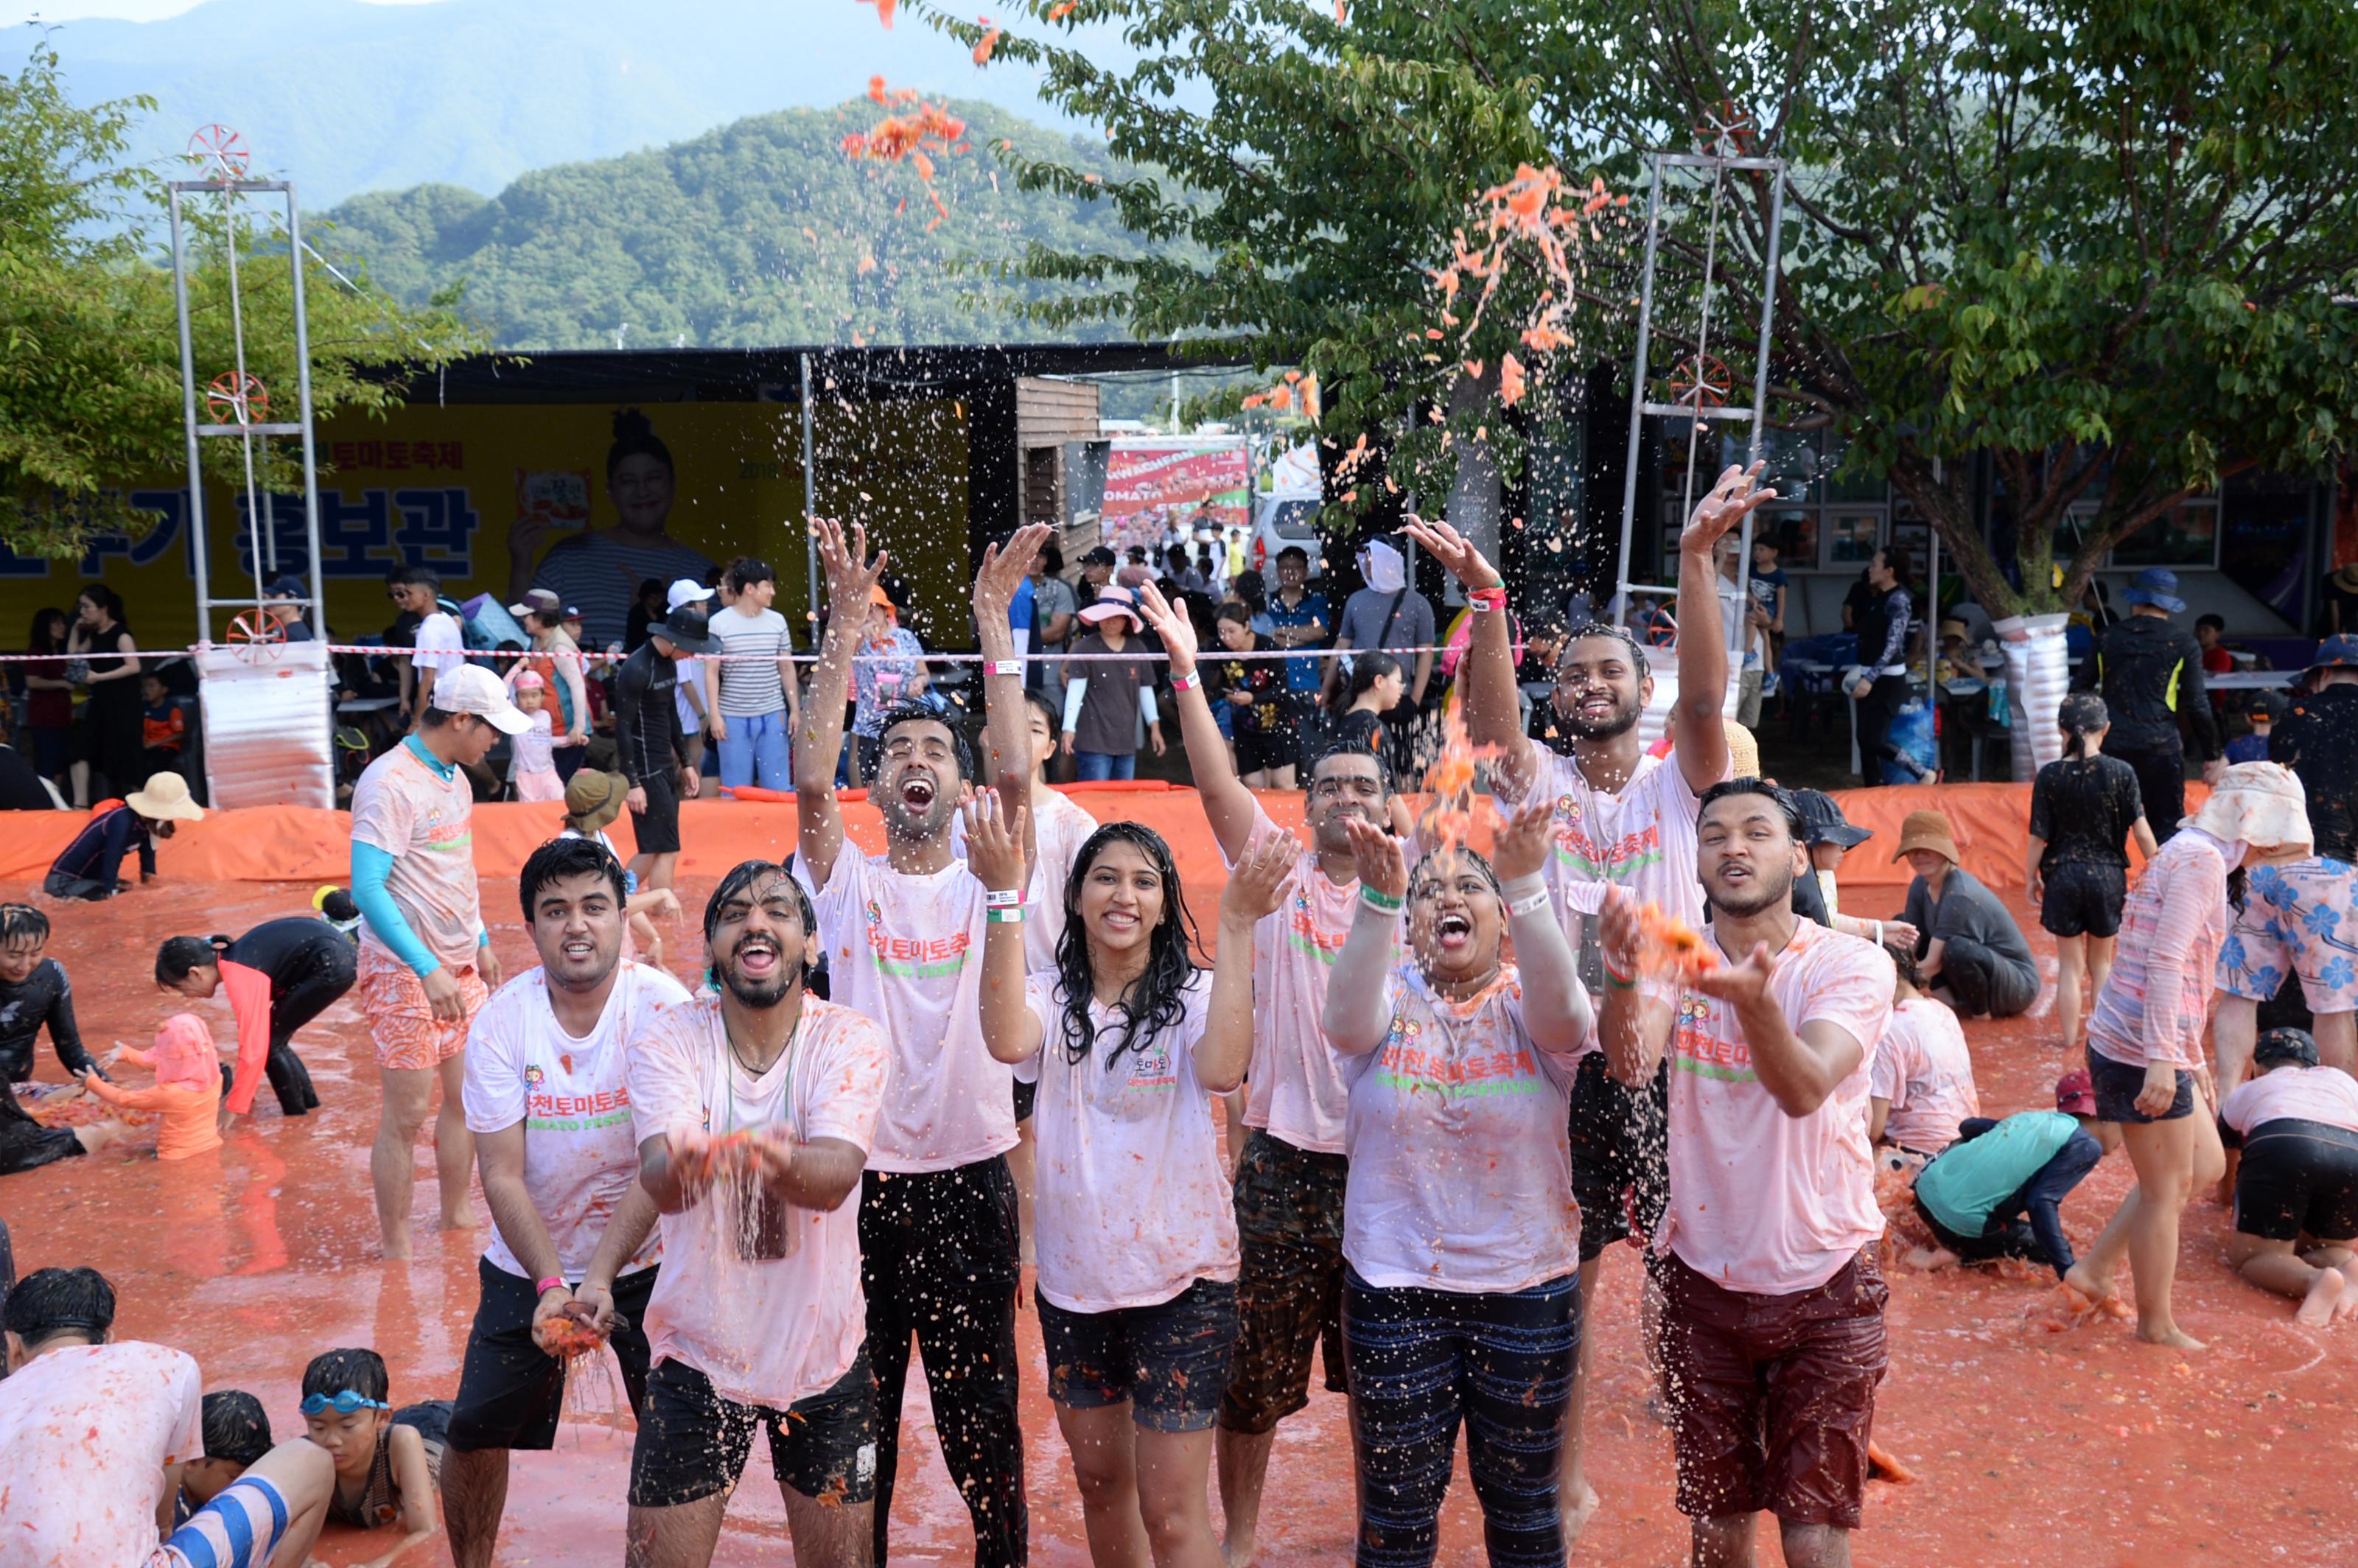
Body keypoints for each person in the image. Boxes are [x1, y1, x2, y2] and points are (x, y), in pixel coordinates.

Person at [1404, 462, 1767, 1545]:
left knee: (1694, 1266)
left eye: (1612, 670)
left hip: (1667, 1043)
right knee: (1569, 1281)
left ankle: (1721, 1451)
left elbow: (1706, 698)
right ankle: (1556, 1477)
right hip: (1557, 1052)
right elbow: (1487, 724)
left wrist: (1697, 560)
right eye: (1576, 674)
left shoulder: (1678, 781)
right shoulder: (1542, 787)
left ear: (1640, 692)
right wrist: (1488, 603)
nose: (1593, 684)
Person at [1134, 578, 1404, 1564]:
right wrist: (1185, 669)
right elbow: (1211, 788)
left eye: (1362, 787)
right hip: (1285, 1166)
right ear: (1305, 800)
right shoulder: (1277, 869)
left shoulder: (1415, 893)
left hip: (1393, 1166)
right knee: (1251, 1378)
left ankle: (1390, 1533)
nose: (1344, 799)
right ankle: (1240, 1542)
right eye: (1328, 786)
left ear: (1389, 804)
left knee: (1392, 1376)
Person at [794, 518, 1044, 1567]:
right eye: (897, 749)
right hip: (862, 1185)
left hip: (972, 1178)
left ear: (957, 784)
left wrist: (993, 625)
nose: (917, 761)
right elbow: (810, 782)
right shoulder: (846, 884)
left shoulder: (996, 868)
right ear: (880, 778)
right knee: (862, 1423)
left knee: (983, 1420)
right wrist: (845, 631)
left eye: (935, 750)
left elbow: (1017, 773)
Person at [972, 805, 1290, 1567]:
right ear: (1076, 894)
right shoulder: (1050, 1000)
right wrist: (1001, 897)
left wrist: (1239, 924)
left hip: (1182, 1281)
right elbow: (1004, 1039)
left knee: (1172, 1513)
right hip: (1077, 1284)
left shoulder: (1192, 1000)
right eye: (1106, 877)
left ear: (1162, 903)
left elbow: (1220, 1071)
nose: (1125, 894)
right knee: (1099, 1485)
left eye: (1144, 881)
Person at [1595, 780, 1897, 1568]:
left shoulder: (1849, 964)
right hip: (1700, 1280)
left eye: (1756, 832)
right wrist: (1625, 974)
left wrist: (1752, 1003)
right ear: (1694, 862)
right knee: (1717, 1529)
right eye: (1714, 834)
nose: (1733, 846)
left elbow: (1802, 1088)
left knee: (1812, 1528)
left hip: (1827, 1282)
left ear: (1797, 856)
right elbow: (1630, 1065)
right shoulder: (1674, 954)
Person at [1320, 803, 1594, 1568]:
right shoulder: (1387, 998)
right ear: (1408, 925)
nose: (1447, 898)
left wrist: (1524, 881)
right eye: (1427, 890)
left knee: (1523, 1512)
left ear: (1500, 917)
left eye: (1469, 886)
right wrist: (1378, 897)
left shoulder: (1524, 1002)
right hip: (1392, 1285)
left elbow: (1568, 1015)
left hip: (1525, 1288)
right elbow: (1341, 1023)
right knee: (1395, 1517)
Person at [624, 861, 889, 1567]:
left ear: (810, 945)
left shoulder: (850, 1039)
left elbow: (833, 1178)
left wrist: (749, 1155)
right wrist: (691, 1164)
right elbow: (665, 1185)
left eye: (777, 909)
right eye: (735, 912)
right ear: (713, 945)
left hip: (824, 1357)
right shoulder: (668, 1038)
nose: (756, 922)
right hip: (697, 1352)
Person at [441, 837, 690, 1568]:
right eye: (555, 911)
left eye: (592, 906)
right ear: (532, 928)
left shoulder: (663, 1008)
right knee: (474, 1430)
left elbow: (663, 1166)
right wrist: (554, 1283)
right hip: (527, 1262)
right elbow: (502, 1174)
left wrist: (604, 1274)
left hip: (653, 1257)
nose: (575, 924)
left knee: (674, 1435)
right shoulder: (500, 1023)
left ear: (623, 917)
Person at [2068, 763, 2312, 1348]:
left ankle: (2096, 1271)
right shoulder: (2202, 861)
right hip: (2138, 1047)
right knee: (2164, 1189)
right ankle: (2156, 1324)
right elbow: (2166, 960)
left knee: (2200, 1169)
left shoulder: (2198, 853)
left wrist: (2189, 1058)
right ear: (2259, 825)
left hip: (2149, 1041)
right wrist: (2161, 1057)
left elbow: (2171, 961)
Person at [350, 663, 525, 1259]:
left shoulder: (457, 778)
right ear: (459, 719)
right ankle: (396, 1249)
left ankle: (456, 1215)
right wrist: (427, 969)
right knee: (406, 1115)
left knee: (467, 1098)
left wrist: (479, 937)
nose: (496, 741)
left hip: (460, 964)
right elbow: (367, 889)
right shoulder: (389, 784)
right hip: (405, 971)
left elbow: (457, 867)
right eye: (491, 730)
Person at [0, 1266, 335, 1568]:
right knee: (311, 1459)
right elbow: (162, 1521)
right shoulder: (167, 1366)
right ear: (109, 1342)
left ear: (13, 1346)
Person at [2219, 634, 2358, 1089]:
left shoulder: (2292, 716)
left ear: (2320, 675)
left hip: (2265, 865)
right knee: (2332, 1005)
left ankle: (2227, 1104)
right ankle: (2336, 1116)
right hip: (2331, 873)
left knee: (2240, 996)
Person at [516, 409, 718, 649]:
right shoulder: (565, 559)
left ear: (672, 484)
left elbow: (717, 643)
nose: (642, 491)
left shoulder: (700, 569)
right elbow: (524, 630)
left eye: (653, 478)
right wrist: (520, 563)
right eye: (628, 482)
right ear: (610, 491)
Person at [2026, 693, 2158, 1051]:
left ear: (2060, 730)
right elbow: (2142, 832)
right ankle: (2099, 1042)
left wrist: (2029, 878)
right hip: (2108, 877)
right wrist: (2162, 869)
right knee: (2101, 966)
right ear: (2107, 729)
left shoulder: (2050, 775)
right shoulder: (2121, 773)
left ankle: (2069, 1040)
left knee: (2070, 967)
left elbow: (2039, 837)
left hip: (2063, 876)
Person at [155, 906, 354, 1122]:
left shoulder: (240, 975)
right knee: (275, 1040)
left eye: (182, 988)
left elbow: (254, 1048)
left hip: (331, 963)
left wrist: (233, 1107)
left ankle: (296, 1120)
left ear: (195, 973)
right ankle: (309, 1109)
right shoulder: (235, 959)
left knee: (269, 1043)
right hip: (334, 957)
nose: (187, 996)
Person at [1909, 1071, 2113, 1277]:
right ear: (2104, 1115)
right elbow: (2041, 1202)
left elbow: (1968, 1127)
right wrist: (2068, 1269)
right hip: (1956, 1227)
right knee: (2049, 1250)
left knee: (1973, 1145)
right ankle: (1959, 1255)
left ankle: (1954, 1231)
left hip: (1922, 1196)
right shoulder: (2087, 1146)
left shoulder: (2033, 1119)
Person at [2216, 1027, 2358, 1323]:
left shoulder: (2247, 1090)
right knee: (2323, 1246)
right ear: (2316, 1064)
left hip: (2284, 1141)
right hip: (2351, 1153)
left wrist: (2227, 1202)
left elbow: (2226, 1166)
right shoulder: (2343, 1081)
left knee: (2256, 1258)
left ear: (2256, 1068)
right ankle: (2346, 1263)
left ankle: (2312, 1280)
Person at [2072, 565, 2220, 839]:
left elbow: (2079, 691)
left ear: (2135, 601)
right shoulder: (2183, 642)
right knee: (2166, 826)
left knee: (2105, 825)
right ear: (2169, 605)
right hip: (2160, 747)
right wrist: (2212, 755)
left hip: (2110, 743)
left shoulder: (2107, 637)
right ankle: (2166, 881)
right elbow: (2197, 703)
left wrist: (2075, 743)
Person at [300, 1347, 450, 1561]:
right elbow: (278, 1535)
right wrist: (309, 1563)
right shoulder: (304, 1459)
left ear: (382, 1418)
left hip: (439, 1429)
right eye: (318, 1428)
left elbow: (425, 1530)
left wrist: (382, 1563)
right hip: (382, 1427)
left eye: (347, 1426)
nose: (332, 1441)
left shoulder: (402, 1443)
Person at [1891, 808, 2038, 1018]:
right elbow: (1912, 943)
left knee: (1957, 949)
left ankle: (1981, 1015)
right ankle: (1951, 1002)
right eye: (1912, 849)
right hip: (1972, 974)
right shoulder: (1919, 885)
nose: (1919, 855)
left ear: (1944, 851)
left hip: (2015, 987)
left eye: (1927, 848)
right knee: (1901, 927)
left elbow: (1932, 964)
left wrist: (1892, 989)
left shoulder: (1959, 894)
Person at [613, 603, 713, 897]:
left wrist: (686, 763)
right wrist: (633, 783)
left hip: (663, 764)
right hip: (645, 768)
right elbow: (623, 727)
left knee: (659, 846)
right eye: (692, 647)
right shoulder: (637, 668)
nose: (693, 654)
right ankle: (637, 902)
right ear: (675, 640)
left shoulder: (668, 663)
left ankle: (620, 898)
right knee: (664, 847)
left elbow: (671, 715)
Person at [1323, 536, 1436, 775]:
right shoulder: (1356, 600)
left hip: (1399, 695)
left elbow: (1426, 653)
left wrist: (1415, 698)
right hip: (1361, 696)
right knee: (1361, 762)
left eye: (1372, 559)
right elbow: (1342, 645)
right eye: (1365, 559)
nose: (1366, 565)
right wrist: (1326, 689)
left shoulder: (1418, 603)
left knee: (1403, 765)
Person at [558, 769, 682, 969]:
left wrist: (654, 938)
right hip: (600, 959)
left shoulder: (599, 837)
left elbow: (623, 898)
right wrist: (661, 894)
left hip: (620, 948)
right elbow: (611, 908)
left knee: (682, 995)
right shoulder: (574, 853)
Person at [702, 556, 801, 793]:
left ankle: (777, 831)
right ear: (749, 588)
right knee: (736, 790)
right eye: (768, 585)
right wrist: (714, 715)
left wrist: (795, 709)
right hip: (731, 718)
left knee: (777, 788)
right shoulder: (718, 623)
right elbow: (711, 672)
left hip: (772, 715)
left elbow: (786, 668)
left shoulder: (778, 622)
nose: (773, 592)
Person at [1870, 947, 1980, 1158]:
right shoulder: (1942, 1010)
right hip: (1965, 1143)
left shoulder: (1890, 1031)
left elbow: (1874, 1130)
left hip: (1921, 1152)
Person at [80, 1012, 223, 1161]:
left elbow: (125, 1099)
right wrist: (126, 1054)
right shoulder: (216, 1077)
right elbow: (170, 1064)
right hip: (211, 1148)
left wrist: (92, 1082)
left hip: (174, 1157)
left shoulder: (171, 1094)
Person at [43, 770, 205, 900]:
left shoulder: (146, 826)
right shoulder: (122, 820)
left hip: (91, 880)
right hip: (62, 882)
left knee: (131, 890)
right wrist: (111, 895)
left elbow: (148, 868)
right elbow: (112, 860)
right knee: (122, 897)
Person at [1788, 788, 1916, 948]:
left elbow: (1828, 920)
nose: (1844, 847)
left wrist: (1878, 929)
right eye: (1837, 839)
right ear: (1810, 842)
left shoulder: (1816, 872)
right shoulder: (1795, 883)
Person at [1061, 584, 1164, 783]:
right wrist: (1069, 728)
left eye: (1117, 617)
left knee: (1124, 806)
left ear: (1127, 620)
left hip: (1126, 741)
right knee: (1095, 802)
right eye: (1106, 616)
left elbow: (1146, 691)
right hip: (1092, 741)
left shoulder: (1137, 648)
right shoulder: (1086, 647)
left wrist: (1155, 727)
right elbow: (1076, 690)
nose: (1110, 622)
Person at [1847, 546, 1925, 783]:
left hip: (1887, 679)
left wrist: (1870, 678)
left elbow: (1893, 645)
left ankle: (1921, 772)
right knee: (1864, 740)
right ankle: (1872, 788)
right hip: (1868, 672)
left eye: (1874, 565)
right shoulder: (1876, 597)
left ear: (1889, 571)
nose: (1870, 569)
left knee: (1876, 740)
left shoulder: (1899, 600)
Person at [505, 587, 592, 783]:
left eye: (526, 616)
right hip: (546, 728)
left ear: (539, 617)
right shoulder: (538, 641)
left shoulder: (560, 646)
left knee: (558, 785)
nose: (524, 620)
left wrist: (579, 727)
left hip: (567, 731)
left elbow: (578, 685)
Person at [0, 903, 93, 1086]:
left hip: (19, 1088)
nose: (24, 965)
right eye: (14, 956)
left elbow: (71, 1048)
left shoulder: (51, 976)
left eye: (35, 953)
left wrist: (107, 1088)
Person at [67, 584, 144, 802]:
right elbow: (74, 658)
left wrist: (99, 677)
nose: (83, 612)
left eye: (87, 607)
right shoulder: (93, 635)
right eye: (81, 607)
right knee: (80, 750)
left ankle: (140, 808)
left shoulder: (121, 633)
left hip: (124, 704)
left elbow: (134, 666)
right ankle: (79, 805)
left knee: (127, 758)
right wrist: (75, 630)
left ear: (104, 609)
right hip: (100, 702)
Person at [1259, 545, 1330, 752]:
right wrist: (1301, 636)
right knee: (1275, 749)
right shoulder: (1267, 602)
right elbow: (1265, 638)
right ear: (1277, 570)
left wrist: (1280, 632)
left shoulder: (1316, 601)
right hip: (1272, 685)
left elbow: (1319, 632)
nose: (1290, 572)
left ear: (1306, 571)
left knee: (1310, 748)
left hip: (1307, 684)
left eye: (1297, 567)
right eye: (1285, 567)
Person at [387, 564, 466, 732]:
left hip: (437, 708)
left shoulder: (428, 628)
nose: (405, 598)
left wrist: (416, 722)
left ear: (426, 595)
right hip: (455, 701)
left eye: (409, 593)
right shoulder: (447, 621)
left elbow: (428, 679)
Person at [22, 607, 74, 801]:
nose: (62, 627)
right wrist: (61, 683)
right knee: (47, 762)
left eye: (63, 623)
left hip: (63, 716)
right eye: (57, 623)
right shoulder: (36, 652)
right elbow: (32, 681)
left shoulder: (60, 651)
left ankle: (57, 799)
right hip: (44, 717)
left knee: (61, 762)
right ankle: (46, 802)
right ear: (46, 627)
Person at [507, 671, 566, 802]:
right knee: (530, 811)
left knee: (560, 802)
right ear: (516, 697)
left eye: (534, 695)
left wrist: (569, 741)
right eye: (523, 696)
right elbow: (503, 689)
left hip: (548, 772)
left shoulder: (546, 716)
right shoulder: (515, 717)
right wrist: (518, 667)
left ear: (543, 696)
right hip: (525, 774)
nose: (529, 701)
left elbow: (546, 741)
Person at [141, 673, 186, 776]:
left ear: (164, 690)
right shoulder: (144, 707)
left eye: (151, 686)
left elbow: (180, 734)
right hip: (148, 746)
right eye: (145, 686)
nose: (147, 690)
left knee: (157, 764)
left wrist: (155, 743)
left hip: (166, 746)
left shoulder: (172, 709)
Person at [2226, 689, 2283, 764]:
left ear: (2248, 718)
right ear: (2278, 720)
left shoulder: (2235, 745)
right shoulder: (2285, 747)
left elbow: (2214, 776)